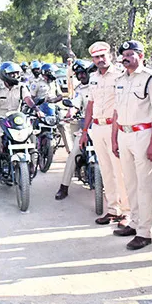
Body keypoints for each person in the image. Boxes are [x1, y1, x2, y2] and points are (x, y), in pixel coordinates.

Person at [110, 41, 152, 250]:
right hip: (124, 133)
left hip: (143, 134)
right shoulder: (120, 79)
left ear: (141, 56)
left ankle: (144, 232)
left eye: (131, 54)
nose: (126, 58)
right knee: (130, 183)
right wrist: (114, 138)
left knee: (145, 184)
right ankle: (134, 222)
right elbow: (116, 112)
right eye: (124, 54)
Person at [80, 42, 130, 226]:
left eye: (103, 56)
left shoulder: (120, 75)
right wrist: (85, 131)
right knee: (106, 171)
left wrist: (118, 131)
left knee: (120, 172)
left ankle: (127, 212)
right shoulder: (93, 78)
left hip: (114, 127)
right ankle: (113, 209)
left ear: (110, 55)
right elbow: (90, 105)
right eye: (96, 57)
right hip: (97, 127)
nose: (100, 60)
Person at [0, 62, 35, 200]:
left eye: (16, 73)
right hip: (1, 121)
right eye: (12, 74)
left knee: (32, 134)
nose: (15, 76)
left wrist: (37, 110)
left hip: (17, 120)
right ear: (4, 75)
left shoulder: (21, 87)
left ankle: (33, 163)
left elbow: (28, 100)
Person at [55, 60, 93, 200]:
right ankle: (64, 187)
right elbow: (75, 104)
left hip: (104, 124)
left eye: (84, 73)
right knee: (74, 153)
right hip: (86, 125)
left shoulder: (99, 84)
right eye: (79, 74)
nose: (82, 76)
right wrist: (70, 111)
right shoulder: (79, 90)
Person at [32, 63, 71, 154]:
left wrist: (54, 100)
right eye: (51, 72)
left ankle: (70, 150)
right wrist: (40, 101)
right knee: (33, 127)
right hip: (40, 108)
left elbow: (60, 95)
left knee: (62, 124)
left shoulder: (54, 83)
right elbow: (32, 97)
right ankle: (33, 151)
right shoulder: (36, 83)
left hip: (53, 107)